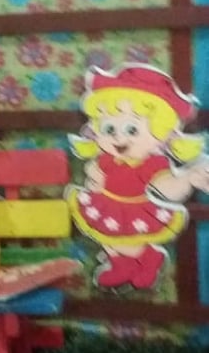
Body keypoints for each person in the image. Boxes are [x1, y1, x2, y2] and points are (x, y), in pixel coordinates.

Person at [66, 63, 209, 290]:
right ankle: (121, 266)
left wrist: (187, 179)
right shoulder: (107, 159)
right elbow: (97, 173)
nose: (118, 138)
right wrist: (94, 177)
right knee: (105, 237)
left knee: (121, 240)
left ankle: (149, 258)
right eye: (109, 129)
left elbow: (165, 186)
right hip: (105, 203)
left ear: (160, 132)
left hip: (136, 209)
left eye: (132, 130)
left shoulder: (153, 163)